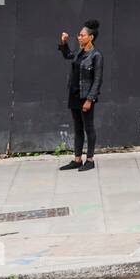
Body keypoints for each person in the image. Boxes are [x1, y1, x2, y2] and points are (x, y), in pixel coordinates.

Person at [57, 20, 103, 171]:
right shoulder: (79, 52)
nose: (79, 37)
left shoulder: (96, 56)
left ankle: (89, 160)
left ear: (91, 37)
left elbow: (97, 80)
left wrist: (90, 99)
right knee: (77, 128)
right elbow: (68, 55)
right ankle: (77, 159)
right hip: (74, 94)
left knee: (88, 127)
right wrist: (64, 43)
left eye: (82, 35)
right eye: (79, 35)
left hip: (86, 97)